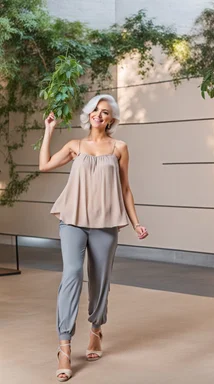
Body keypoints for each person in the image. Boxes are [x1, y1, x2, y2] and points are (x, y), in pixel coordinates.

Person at [39, 94, 149, 381]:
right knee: (72, 275)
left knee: (100, 280)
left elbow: (125, 189)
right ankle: (64, 346)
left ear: (111, 119)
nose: (98, 115)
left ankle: (96, 330)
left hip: (106, 224)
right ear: (89, 114)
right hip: (73, 221)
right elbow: (45, 165)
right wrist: (49, 130)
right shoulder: (75, 146)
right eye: (95, 110)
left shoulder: (119, 148)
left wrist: (136, 223)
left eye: (105, 112)